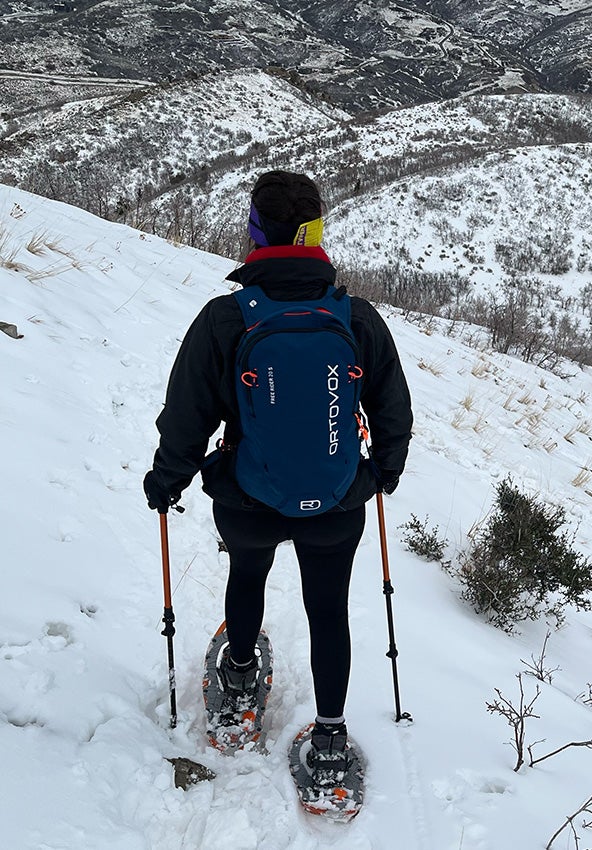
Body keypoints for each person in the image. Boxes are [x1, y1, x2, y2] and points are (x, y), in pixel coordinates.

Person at [144, 171, 413, 779]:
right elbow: (392, 409)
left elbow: (187, 416)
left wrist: (168, 480)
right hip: (338, 501)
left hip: (247, 498)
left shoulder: (224, 318)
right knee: (328, 608)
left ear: (256, 233)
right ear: (314, 233)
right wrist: (381, 473)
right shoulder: (357, 318)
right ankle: (330, 738)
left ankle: (239, 679)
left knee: (247, 575)